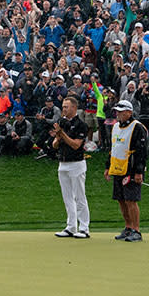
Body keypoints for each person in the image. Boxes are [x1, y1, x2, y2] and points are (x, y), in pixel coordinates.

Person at [104, 99, 149, 242]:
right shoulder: (116, 126)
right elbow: (113, 148)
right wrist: (107, 166)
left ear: (129, 112)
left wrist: (138, 171)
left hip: (131, 169)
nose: (118, 114)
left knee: (131, 200)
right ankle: (128, 227)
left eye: (121, 112)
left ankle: (136, 230)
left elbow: (142, 152)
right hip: (117, 168)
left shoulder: (137, 127)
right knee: (121, 200)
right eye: (117, 111)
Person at [50, 95, 90, 238]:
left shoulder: (81, 125)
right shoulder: (61, 122)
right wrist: (58, 136)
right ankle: (71, 226)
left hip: (76, 163)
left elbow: (75, 145)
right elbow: (54, 144)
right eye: (63, 107)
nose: (64, 109)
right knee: (67, 197)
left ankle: (84, 228)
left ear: (74, 108)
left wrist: (62, 134)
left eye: (66, 107)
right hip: (63, 163)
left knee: (79, 196)